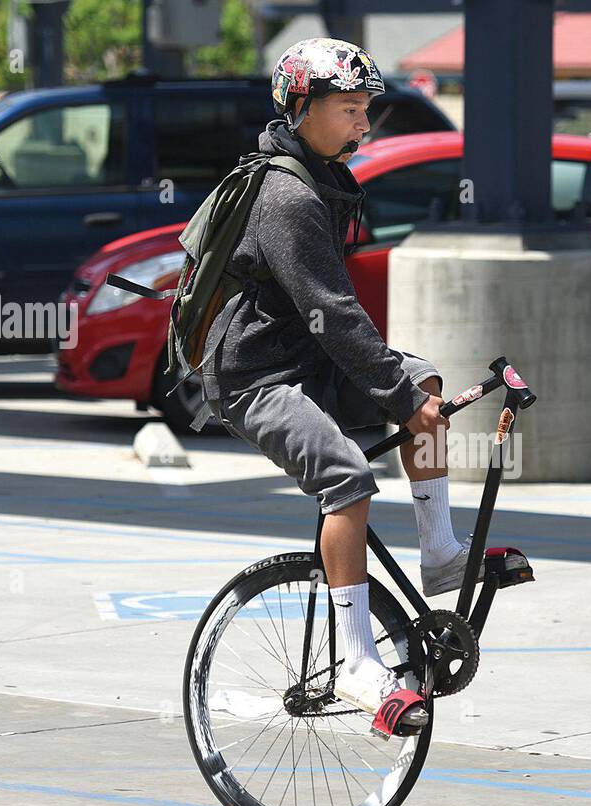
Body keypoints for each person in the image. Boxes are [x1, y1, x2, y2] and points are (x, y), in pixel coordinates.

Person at [202, 38, 479, 729]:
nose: (364, 124)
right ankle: (358, 663)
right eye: (350, 109)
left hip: (302, 360)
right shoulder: (287, 194)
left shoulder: (318, 177)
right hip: (252, 376)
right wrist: (401, 399)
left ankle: (439, 552)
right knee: (347, 477)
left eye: (366, 110)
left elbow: (330, 323)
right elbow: (332, 313)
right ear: (300, 109)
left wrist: (408, 388)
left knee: (425, 376)